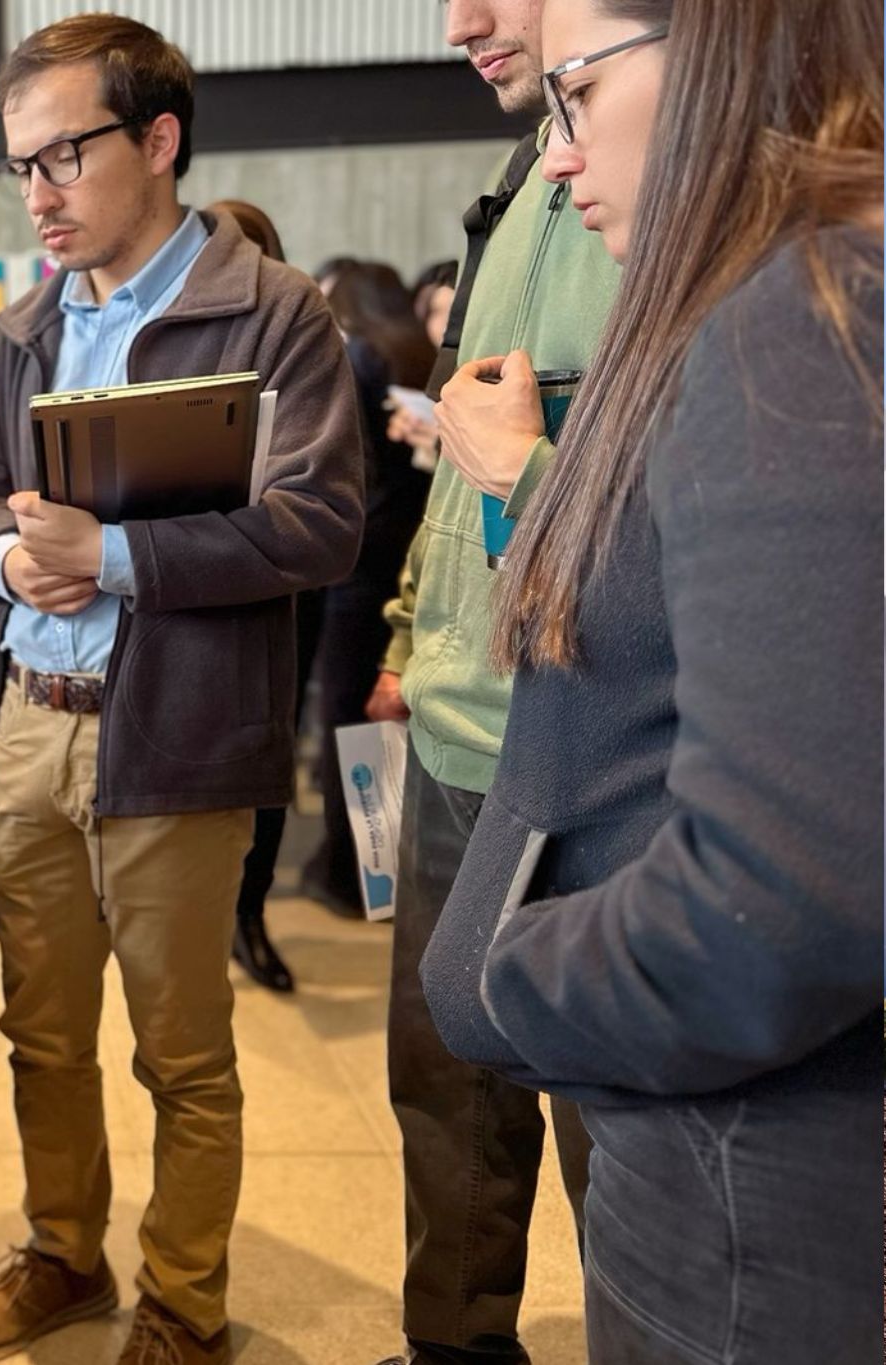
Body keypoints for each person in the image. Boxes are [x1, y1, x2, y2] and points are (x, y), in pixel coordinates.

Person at [422, 0, 881, 1359]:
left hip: (759, 1172)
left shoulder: (800, 315)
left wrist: (510, 976)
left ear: (722, 46)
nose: (555, 157)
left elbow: (786, 900)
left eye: (576, 94)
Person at [0, 16, 364, 1364]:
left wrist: (114, 557)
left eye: (64, 155)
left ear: (159, 140)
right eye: (20, 168)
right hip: (29, 727)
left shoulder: (273, 314)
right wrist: (10, 556)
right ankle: (67, 1255)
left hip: (175, 735)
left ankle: (184, 1299)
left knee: (183, 1055)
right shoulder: (26, 330)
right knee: (40, 1035)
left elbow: (323, 525)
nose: (40, 193)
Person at [364, 2, 622, 1362]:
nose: (460, 19)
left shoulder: (657, 188)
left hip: (592, 745)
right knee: (446, 1095)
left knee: (612, 1122)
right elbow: (469, 452)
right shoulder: (529, 173)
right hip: (460, 738)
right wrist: (412, 641)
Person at [301, 262, 435, 912]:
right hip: (413, 558)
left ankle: (349, 875)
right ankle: (388, 873)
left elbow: (342, 469)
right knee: (392, 720)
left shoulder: (356, 356)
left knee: (345, 720)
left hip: (356, 562)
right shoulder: (420, 351)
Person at [204, 197, 308, 994]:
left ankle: (249, 913)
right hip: (191, 587)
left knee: (266, 762)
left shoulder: (300, 334)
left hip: (280, 591)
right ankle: (213, 915)